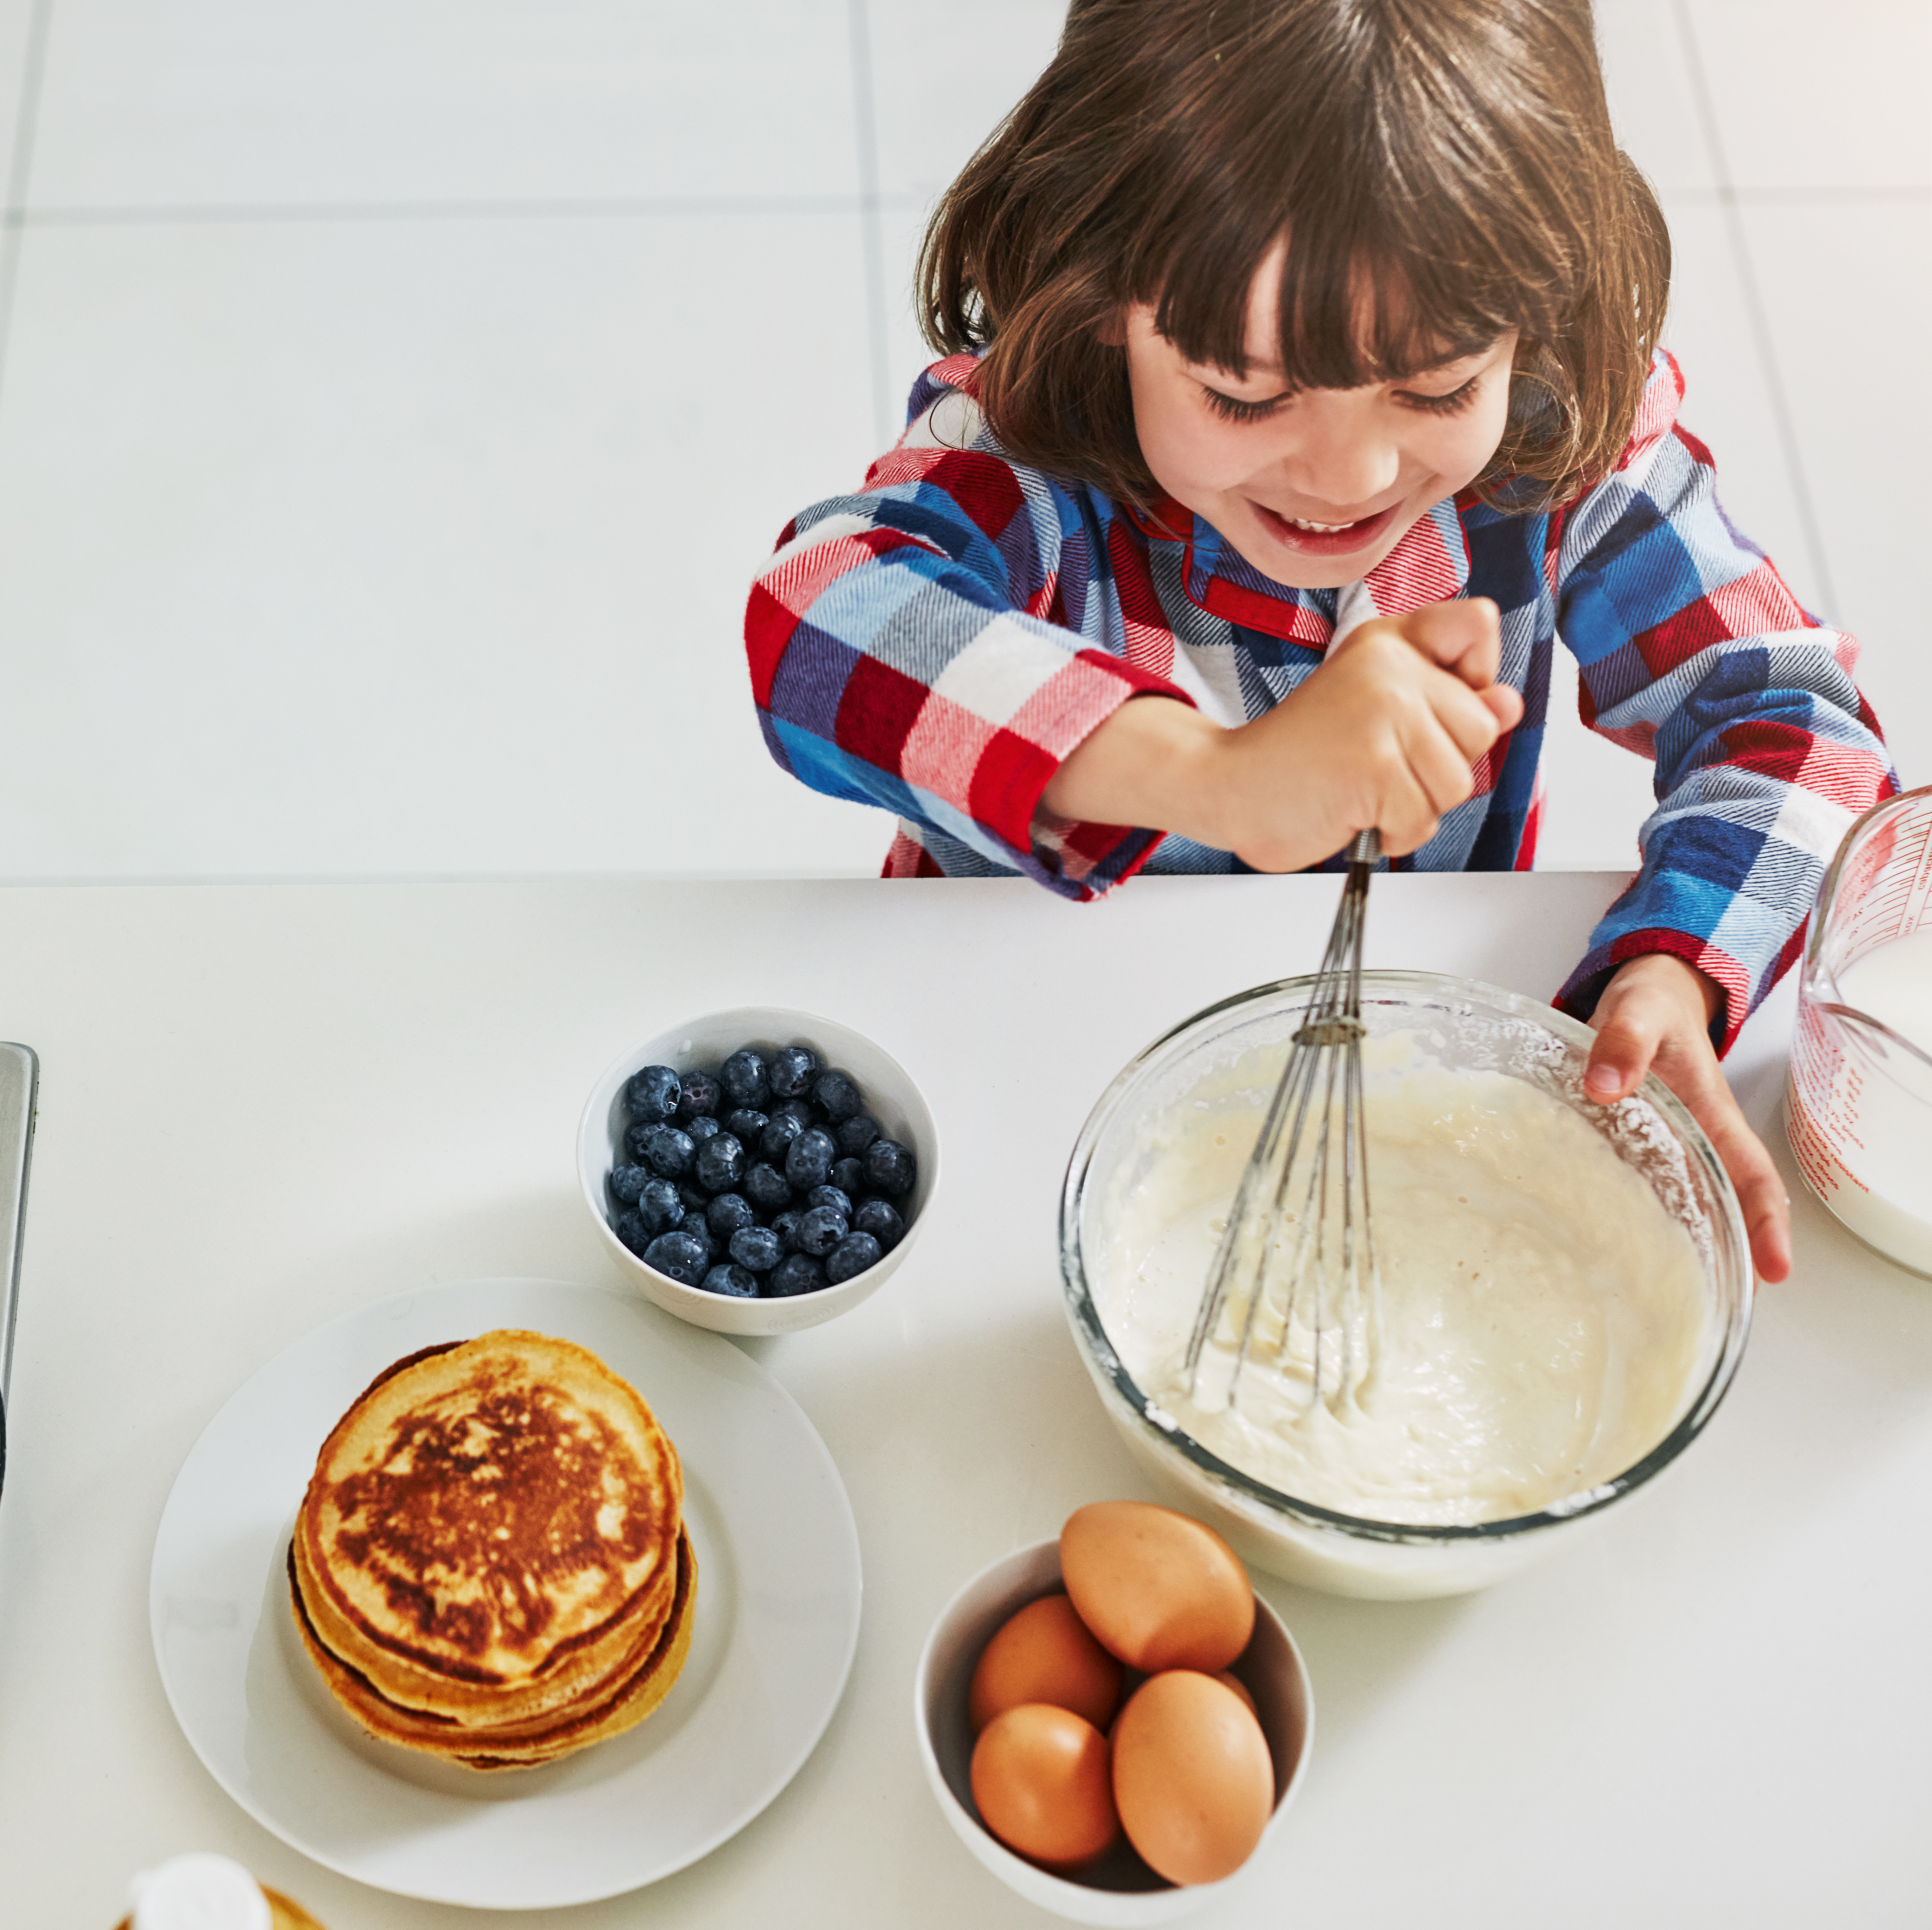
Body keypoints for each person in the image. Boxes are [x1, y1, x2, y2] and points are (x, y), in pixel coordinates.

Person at [745, 0, 1892, 1283]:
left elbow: (1802, 727)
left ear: (1540, 316)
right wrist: (1209, 777)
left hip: (1385, 1097)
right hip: (1007, 1056)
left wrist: (1678, 966)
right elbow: (812, 623)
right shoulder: (1030, 456)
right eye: (1245, 393)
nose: (1349, 473)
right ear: (1100, 295)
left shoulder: (1566, 451)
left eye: (1437, 387)